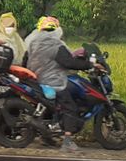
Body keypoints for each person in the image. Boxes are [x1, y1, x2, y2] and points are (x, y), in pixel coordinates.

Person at [23, 15, 99, 153]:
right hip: (53, 81)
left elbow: (25, 61)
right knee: (70, 107)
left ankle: (46, 137)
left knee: (57, 106)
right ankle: (67, 142)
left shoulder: (33, 43)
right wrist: (88, 65)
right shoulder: (56, 45)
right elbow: (68, 62)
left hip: (36, 81)